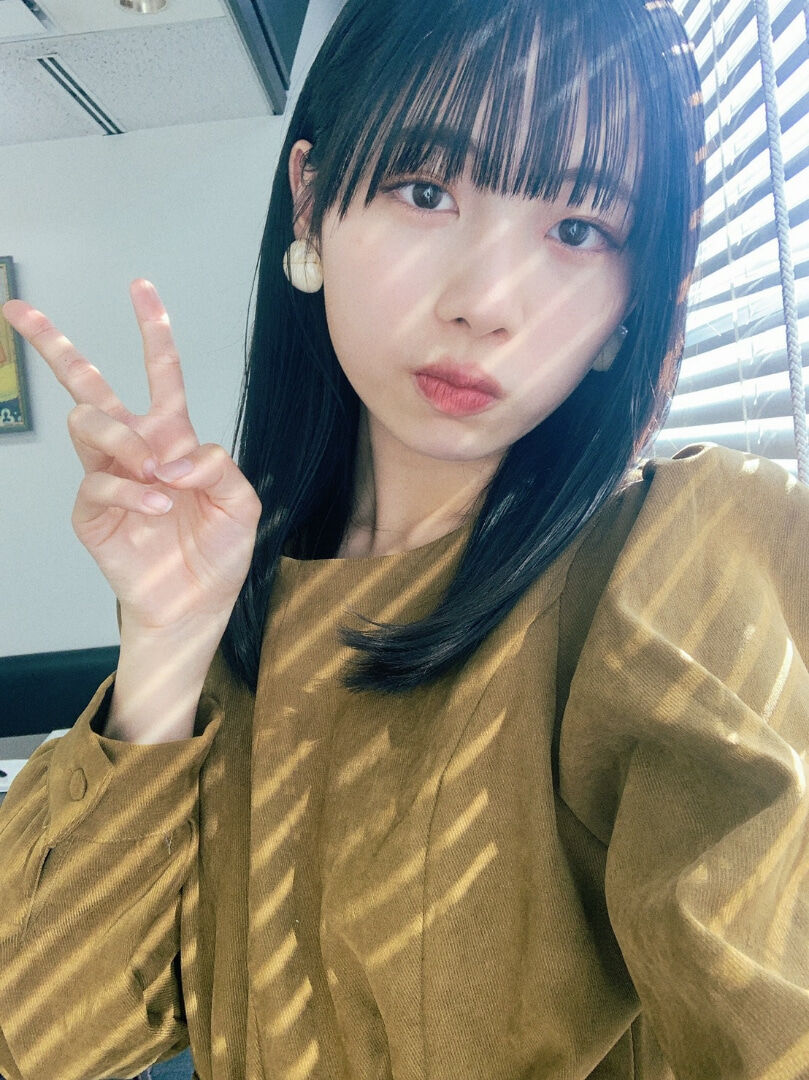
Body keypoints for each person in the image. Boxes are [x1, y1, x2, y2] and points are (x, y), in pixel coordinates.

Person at [1, 0, 807, 1077]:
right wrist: (165, 644)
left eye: (578, 229)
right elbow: (43, 1039)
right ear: (309, 202)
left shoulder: (674, 561)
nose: (485, 302)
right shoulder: (243, 598)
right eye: (426, 191)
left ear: (631, 300)